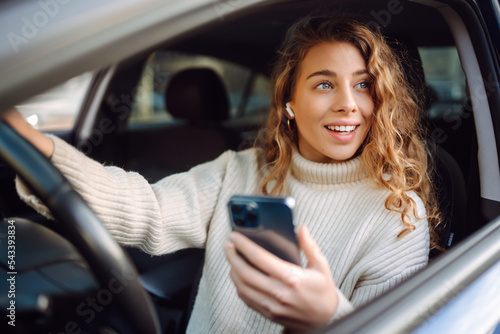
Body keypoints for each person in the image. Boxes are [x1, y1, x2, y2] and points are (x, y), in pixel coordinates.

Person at [4, 15, 440, 334]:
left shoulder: (399, 214)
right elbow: (145, 208)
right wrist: (29, 140)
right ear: (289, 102)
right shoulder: (241, 169)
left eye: (364, 84)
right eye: (324, 84)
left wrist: (327, 319)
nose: (348, 103)